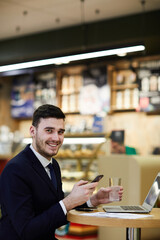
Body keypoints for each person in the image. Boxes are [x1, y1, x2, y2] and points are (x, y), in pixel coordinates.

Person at [0, 104, 123, 240]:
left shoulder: (53, 165)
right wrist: (69, 201)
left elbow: (55, 209)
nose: (56, 138)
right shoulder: (16, 169)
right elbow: (27, 231)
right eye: (49, 130)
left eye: (60, 132)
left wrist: (93, 200)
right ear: (32, 131)